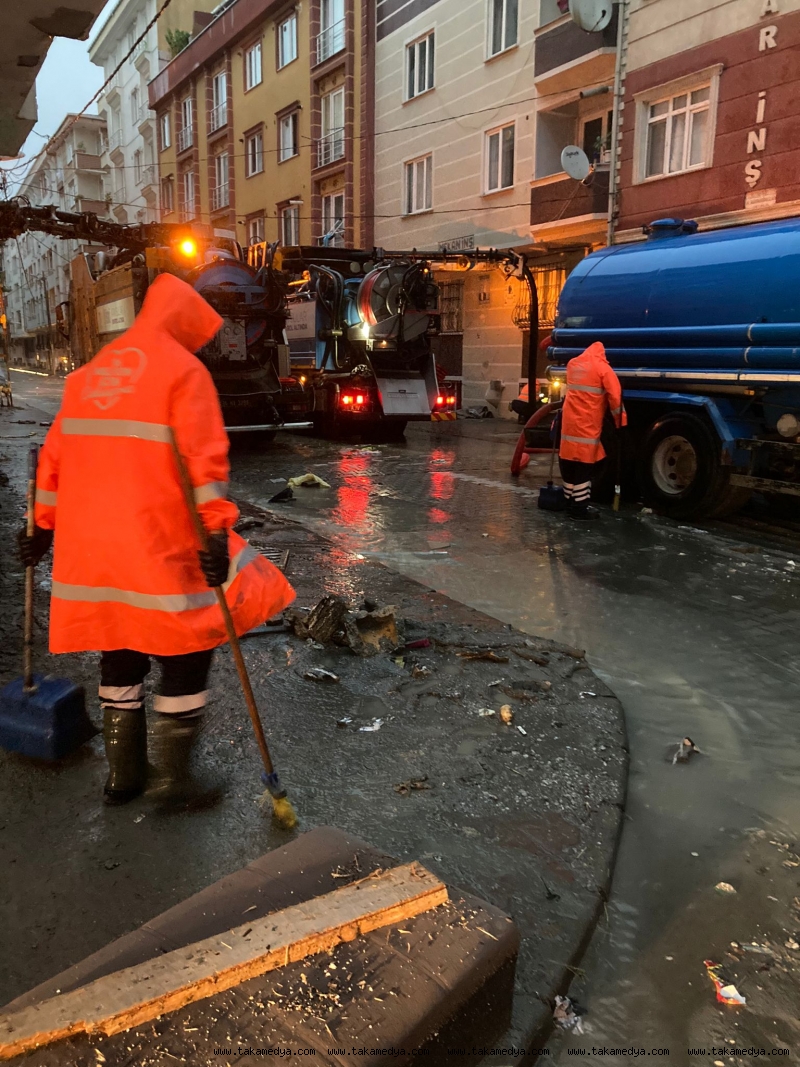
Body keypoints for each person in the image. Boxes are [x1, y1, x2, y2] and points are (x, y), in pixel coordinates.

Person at [18, 273, 295, 809]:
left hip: (94, 555)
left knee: (120, 651)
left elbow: (52, 462)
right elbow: (205, 466)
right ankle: (173, 781)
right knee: (187, 651)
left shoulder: (89, 376)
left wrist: (40, 528)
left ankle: (123, 777)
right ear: (186, 323)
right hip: (158, 545)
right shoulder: (183, 372)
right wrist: (214, 532)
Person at [559, 340, 626, 520]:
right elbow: (615, 397)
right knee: (584, 466)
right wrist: (620, 422)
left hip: (569, 425)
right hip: (587, 425)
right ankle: (579, 509)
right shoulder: (603, 369)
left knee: (569, 464)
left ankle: (568, 502)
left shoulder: (573, 365)